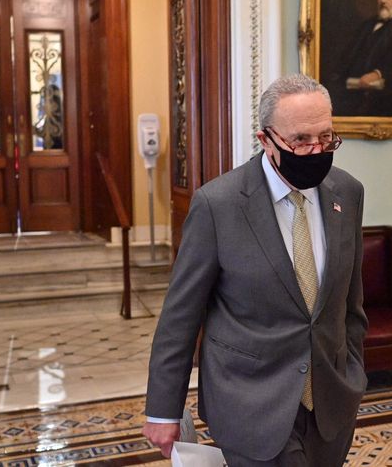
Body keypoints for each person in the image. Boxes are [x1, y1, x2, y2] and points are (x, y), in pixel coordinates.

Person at [142, 73, 367, 466]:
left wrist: (354, 374)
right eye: (301, 140)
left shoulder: (347, 192)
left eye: (326, 138)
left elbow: (351, 302)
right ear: (266, 140)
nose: (317, 150)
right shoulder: (218, 205)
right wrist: (163, 410)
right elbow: (181, 315)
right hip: (251, 403)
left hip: (330, 403)